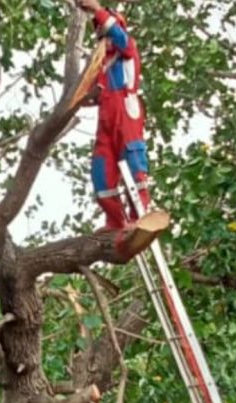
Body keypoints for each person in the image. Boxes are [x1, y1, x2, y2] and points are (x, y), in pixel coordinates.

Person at [77, 0, 150, 231]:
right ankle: (115, 221)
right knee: (101, 169)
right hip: (106, 118)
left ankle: (140, 215)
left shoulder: (126, 47)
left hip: (125, 111)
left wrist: (97, 9)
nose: (102, 38)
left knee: (133, 160)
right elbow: (95, 95)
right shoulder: (103, 65)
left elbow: (121, 40)